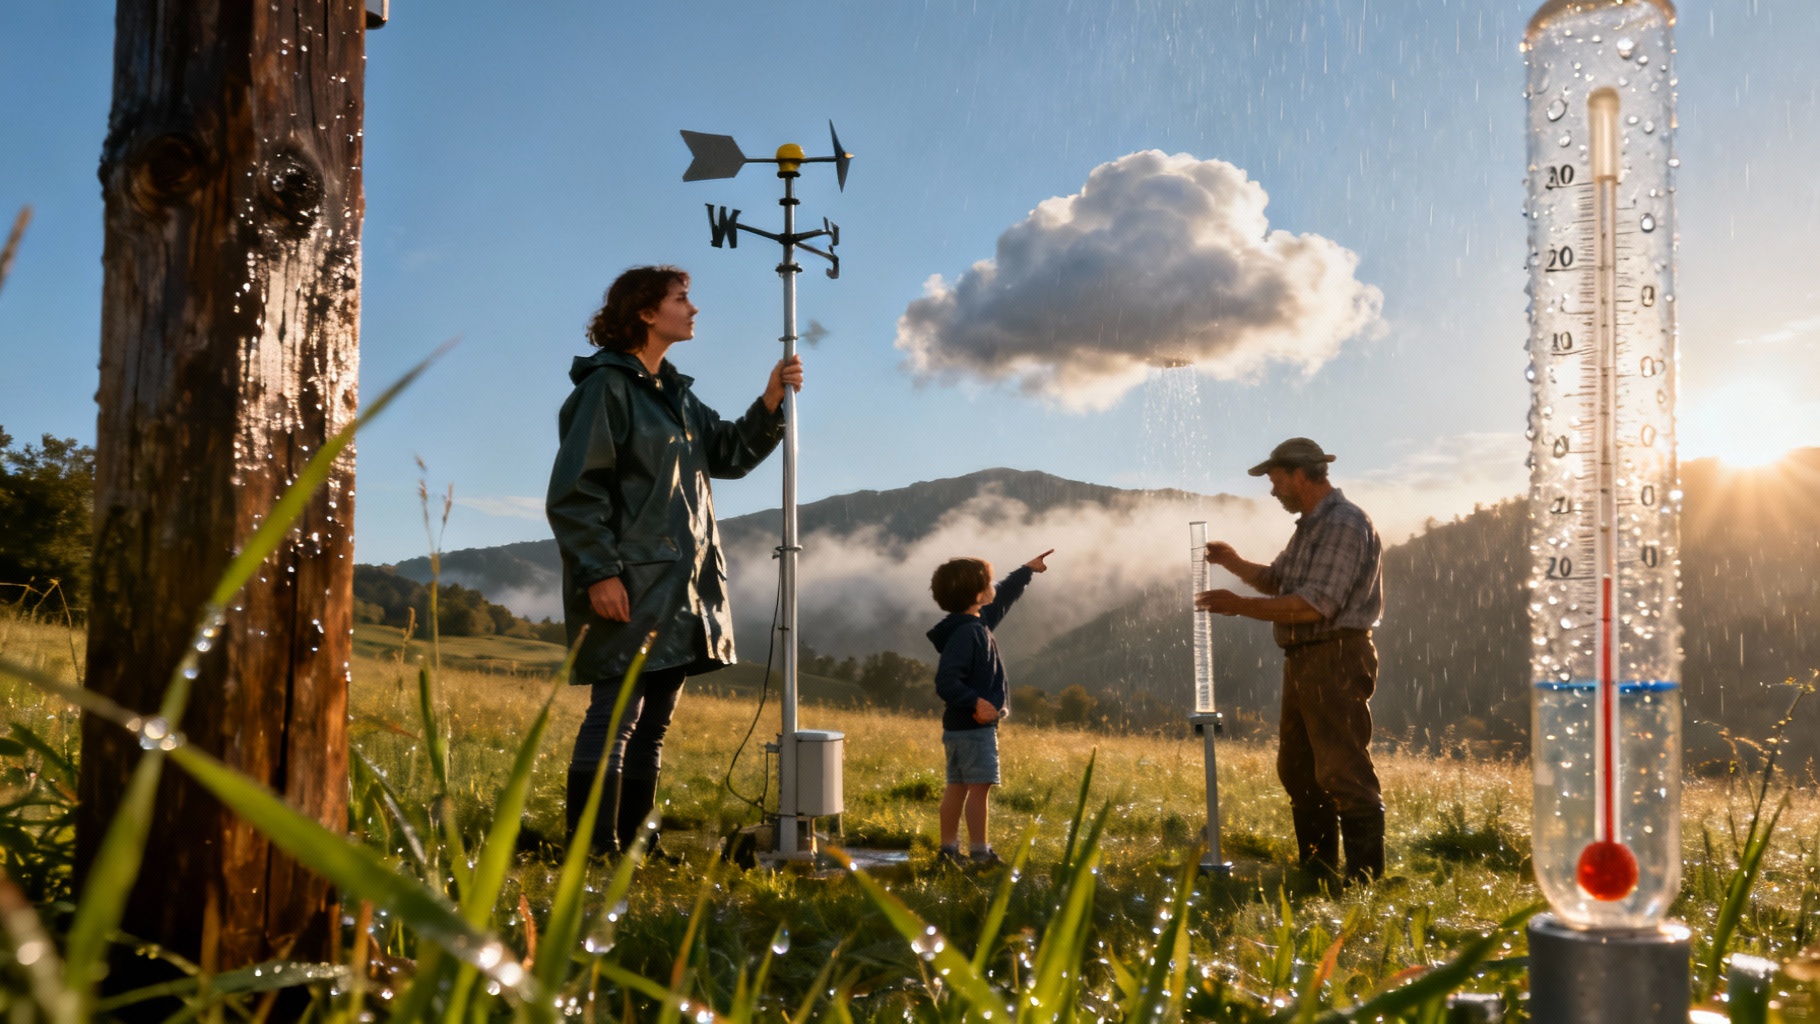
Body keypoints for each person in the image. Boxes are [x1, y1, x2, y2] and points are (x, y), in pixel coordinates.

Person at [547, 265, 802, 857]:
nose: (693, 309)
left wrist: (770, 399)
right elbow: (577, 491)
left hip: (682, 589)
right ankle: (591, 849)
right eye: (682, 299)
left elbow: (732, 454)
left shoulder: (678, 399)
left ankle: (635, 843)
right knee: (614, 719)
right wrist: (599, 573)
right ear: (644, 311)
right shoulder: (605, 389)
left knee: (652, 724)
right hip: (630, 581)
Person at [1196, 438, 1386, 883]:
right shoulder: (1310, 527)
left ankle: (1365, 882)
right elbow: (1278, 581)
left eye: (1277, 480)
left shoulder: (1343, 524)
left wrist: (1238, 605)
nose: (1273, 490)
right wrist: (1235, 562)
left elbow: (1316, 605)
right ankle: (1317, 873)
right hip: (1306, 658)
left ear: (1301, 475)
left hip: (1335, 656)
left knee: (1342, 768)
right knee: (1299, 770)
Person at [925, 549, 1053, 867]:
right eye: (990, 582)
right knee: (979, 790)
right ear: (979, 594)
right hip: (974, 727)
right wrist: (976, 702)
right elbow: (946, 681)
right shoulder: (969, 633)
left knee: (956, 788)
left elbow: (1003, 600)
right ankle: (980, 853)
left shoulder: (971, 623)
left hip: (956, 728)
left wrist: (1026, 571)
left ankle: (948, 851)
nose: (994, 586)